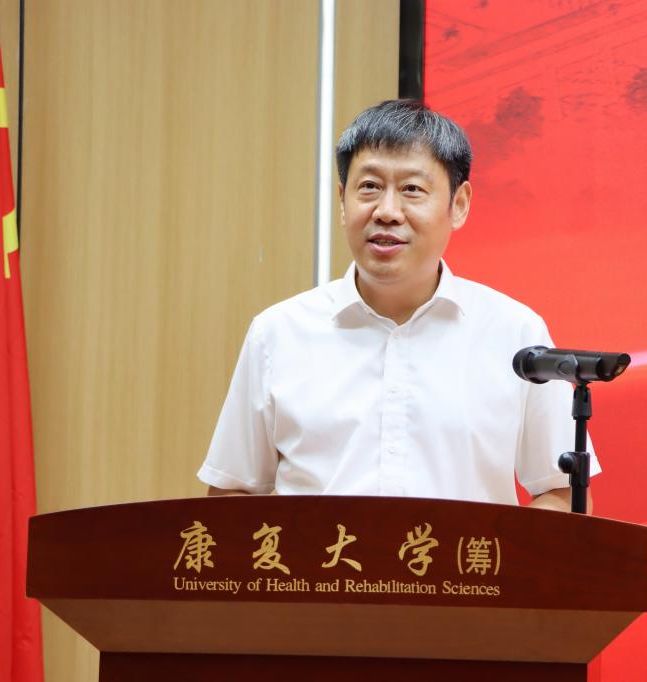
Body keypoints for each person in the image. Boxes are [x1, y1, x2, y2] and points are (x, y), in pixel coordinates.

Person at [197, 99, 598, 512]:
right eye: (369, 187)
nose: (387, 212)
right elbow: (231, 494)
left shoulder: (515, 334)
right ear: (342, 200)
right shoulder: (278, 333)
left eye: (412, 190)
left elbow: (563, 491)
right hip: (326, 559)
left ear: (459, 204)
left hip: (463, 559)